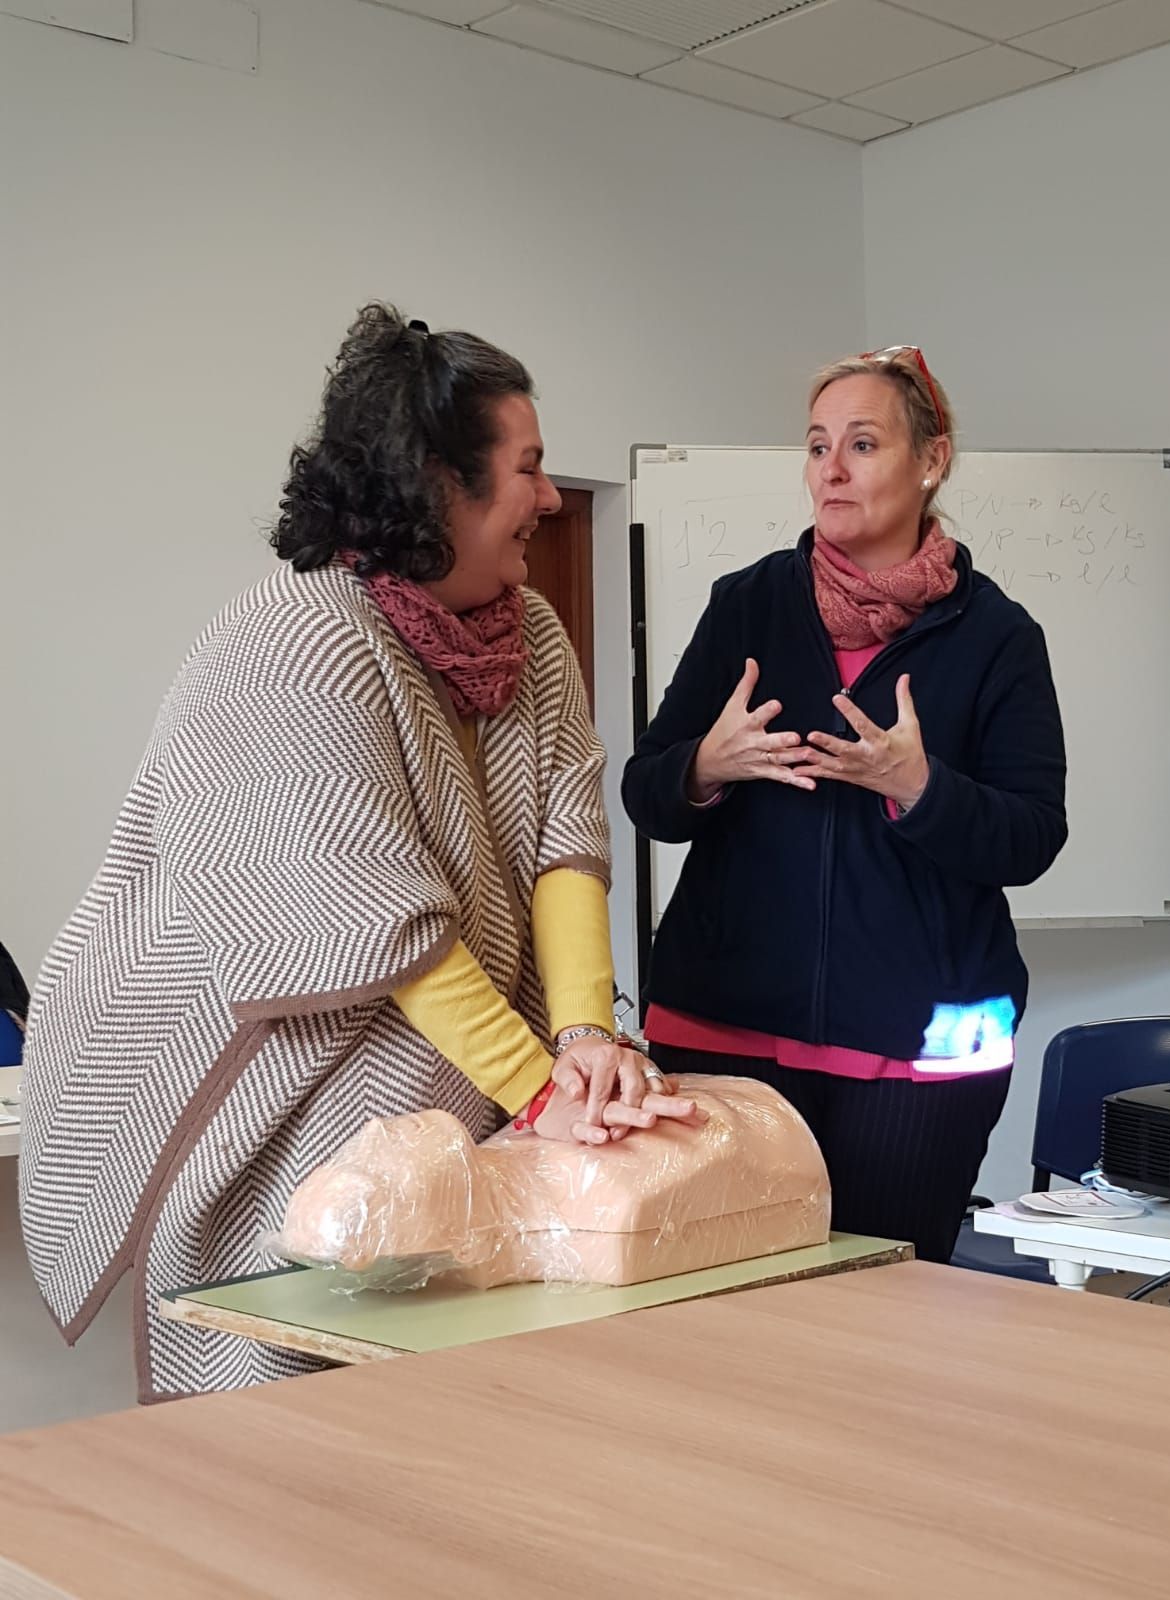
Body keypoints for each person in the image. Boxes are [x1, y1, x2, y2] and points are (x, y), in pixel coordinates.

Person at [20, 304, 698, 1402]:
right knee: (303, 1374)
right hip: (285, 1059)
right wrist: (540, 1090)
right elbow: (371, 923)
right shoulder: (299, 639)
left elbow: (566, 846)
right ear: (437, 485)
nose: (546, 496)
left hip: (453, 1058)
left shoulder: (531, 634)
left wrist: (582, 1040)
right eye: (527, 467)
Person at [622, 345, 1067, 1262]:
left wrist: (919, 789)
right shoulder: (746, 606)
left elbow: (1031, 836)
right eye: (818, 444)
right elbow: (647, 792)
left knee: (886, 1310)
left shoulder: (998, 637)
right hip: (721, 1032)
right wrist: (704, 765)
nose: (831, 468)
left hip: (918, 1057)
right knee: (715, 1309)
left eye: (862, 444)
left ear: (931, 460)